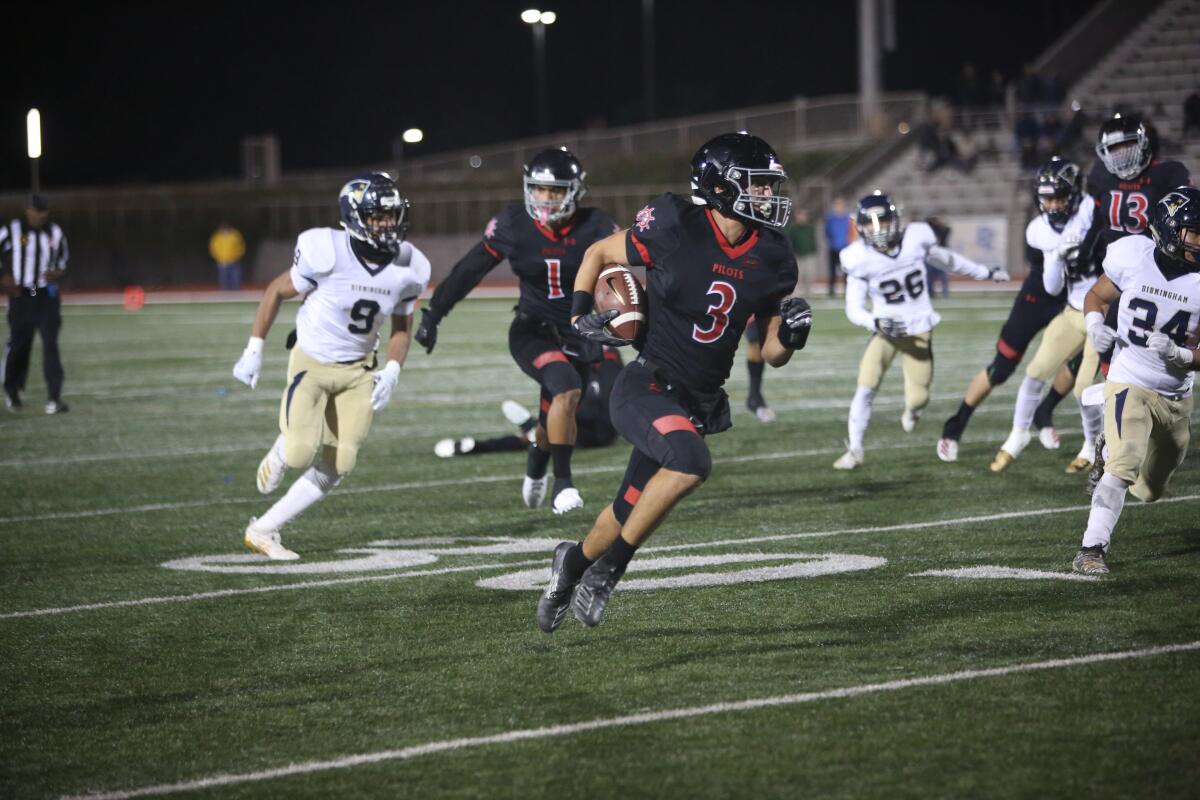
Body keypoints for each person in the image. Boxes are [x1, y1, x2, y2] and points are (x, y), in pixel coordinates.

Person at [535, 132, 812, 632]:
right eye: (760, 185)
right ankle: (608, 572)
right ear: (722, 187)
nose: (770, 196)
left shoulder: (774, 256)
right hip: (646, 385)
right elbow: (599, 253)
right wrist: (579, 316)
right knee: (690, 463)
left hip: (696, 402)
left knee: (626, 510)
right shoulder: (675, 222)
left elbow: (772, 355)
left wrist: (791, 336)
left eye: (771, 186)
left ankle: (571, 564)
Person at [230, 173, 429, 560]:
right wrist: (254, 347)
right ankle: (283, 447)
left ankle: (264, 529)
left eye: (392, 215)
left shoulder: (411, 264)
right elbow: (276, 290)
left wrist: (393, 369)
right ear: (354, 217)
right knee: (300, 453)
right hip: (313, 362)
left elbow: (402, 328)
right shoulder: (326, 249)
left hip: (359, 373)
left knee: (341, 460)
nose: (388, 224)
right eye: (378, 216)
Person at [414, 148, 618, 515]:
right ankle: (564, 484)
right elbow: (470, 269)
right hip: (532, 328)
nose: (544, 198)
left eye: (554, 191)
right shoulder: (514, 224)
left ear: (574, 191)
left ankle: (537, 460)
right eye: (539, 190)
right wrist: (435, 313)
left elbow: (633, 270)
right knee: (567, 388)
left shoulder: (598, 226)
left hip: (580, 332)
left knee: (554, 415)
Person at [1072, 186, 1200, 574]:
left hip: (1176, 394)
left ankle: (1108, 450)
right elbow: (1097, 295)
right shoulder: (1132, 255)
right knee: (1123, 464)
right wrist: (1094, 325)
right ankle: (1091, 550)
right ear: (1168, 228)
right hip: (1130, 378)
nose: (1199, 240)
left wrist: (1182, 356)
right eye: (1193, 231)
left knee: (1150, 490)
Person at [834, 191, 1008, 470]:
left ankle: (912, 411)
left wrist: (983, 272)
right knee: (865, 387)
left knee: (918, 399)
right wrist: (875, 322)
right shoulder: (858, 258)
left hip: (917, 331)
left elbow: (949, 261)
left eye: (883, 222)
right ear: (861, 226)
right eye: (871, 224)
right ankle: (855, 449)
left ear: (896, 220)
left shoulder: (915, 239)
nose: (877, 230)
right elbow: (853, 308)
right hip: (886, 332)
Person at [988, 158, 1102, 473]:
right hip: (1073, 308)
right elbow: (1052, 288)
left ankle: (1092, 447)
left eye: (1058, 197)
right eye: (1046, 198)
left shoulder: (1092, 211)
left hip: (1104, 312)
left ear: (1074, 194)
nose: (1052, 205)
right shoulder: (1039, 231)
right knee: (1035, 371)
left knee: (1083, 390)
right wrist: (1056, 257)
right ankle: (1018, 435)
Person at [434, 347, 622, 457]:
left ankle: (488, 443)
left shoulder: (607, 366)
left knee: (539, 436)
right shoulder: (583, 361)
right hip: (581, 422)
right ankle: (478, 445)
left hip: (598, 430)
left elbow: (602, 409)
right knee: (538, 435)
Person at [1, 194, 70, 414]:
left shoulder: (54, 232)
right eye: (35, 211)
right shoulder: (10, 231)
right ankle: (12, 389)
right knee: (20, 344)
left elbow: (62, 260)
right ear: (27, 210)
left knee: (51, 344)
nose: (38, 216)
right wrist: (4, 275)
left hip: (45, 295)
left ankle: (54, 397)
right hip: (21, 294)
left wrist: (57, 272)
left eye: (43, 212)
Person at [823, 196, 852, 297]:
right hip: (833, 248)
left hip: (845, 248)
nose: (839, 207)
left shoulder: (847, 219)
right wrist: (831, 241)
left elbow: (850, 232)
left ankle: (847, 291)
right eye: (837, 205)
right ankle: (831, 292)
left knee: (846, 272)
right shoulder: (830, 219)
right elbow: (826, 232)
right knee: (832, 271)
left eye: (841, 205)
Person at [209, 222, 246, 291]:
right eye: (222, 229)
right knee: (224, 280)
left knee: (235, 280)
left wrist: (237, 257)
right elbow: (213, 249)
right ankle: (224, 295)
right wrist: (219, 259)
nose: (224, 231)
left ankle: (236, 294)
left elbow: (241, 247)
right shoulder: (217, 238)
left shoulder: (235, 236)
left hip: (234, 262)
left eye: (226, 229)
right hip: (223, 262)